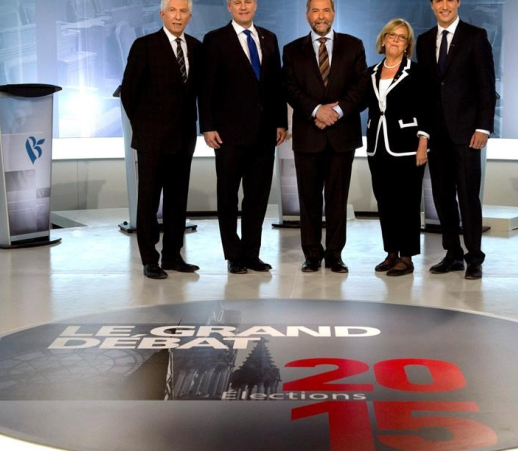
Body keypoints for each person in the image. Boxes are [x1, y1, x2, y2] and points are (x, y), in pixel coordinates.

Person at [200, 0, 288, 274]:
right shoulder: (214, 39)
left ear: (256, 5)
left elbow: (276, 86)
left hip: (264, 134)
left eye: (247, 1)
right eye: (236, 2)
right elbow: (206, 86)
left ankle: (251, 253)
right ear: (228, 7)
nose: (243, 6)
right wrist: (208, 125)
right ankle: (233, 255)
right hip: (227, 134)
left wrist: (281, 122)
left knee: (257, 197)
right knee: (228, 197)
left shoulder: (269, 38)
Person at [283, 0, 368, 273]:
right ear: (307, 14)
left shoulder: (353, 45)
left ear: (333, 13)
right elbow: (291, 89)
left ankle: (334, 254)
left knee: (337, 198)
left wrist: (338, 111)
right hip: (309, 135)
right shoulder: (292, 50)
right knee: (308, 199)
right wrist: (317, 111)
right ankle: (311, 254)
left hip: (342, 136)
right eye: (315, 10)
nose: (321, 16)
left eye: (326, 10)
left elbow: (361, 87)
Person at [121, 0, 202, 279]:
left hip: (184, 137)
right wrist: (144, 127)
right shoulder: (144, 46)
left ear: (189, 16)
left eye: (183, 11)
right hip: (152, 139)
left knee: (177, 200)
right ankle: (149, 258)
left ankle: (172, 255)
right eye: (172, 11)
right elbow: (129, 94)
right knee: (149, 201)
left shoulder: (196, 47)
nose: (177, 16)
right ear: (162, 14)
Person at [416, 0, 496, 280]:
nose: (445, 5)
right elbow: (426, 93)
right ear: (432, 5)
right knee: (442, 197)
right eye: (439, 0)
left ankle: (474, 257)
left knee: (468, 197)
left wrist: (483, 127)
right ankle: (453, 254)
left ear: (458, 2)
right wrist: (424, 135)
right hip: (436, 135)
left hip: (466, 134)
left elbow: (486, 85)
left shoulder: (476, 36)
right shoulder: (424, 41)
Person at [366, 19, 430, 277]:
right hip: (377, 145)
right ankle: (391, 252)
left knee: (407, 202)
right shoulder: (370, 71)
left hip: (406, 146)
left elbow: (427, 107)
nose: (395, 40)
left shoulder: (416, 72)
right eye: (391, 35)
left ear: (407, 45)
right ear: (383, 39)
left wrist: (423, 140)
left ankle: (407, 257)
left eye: (401, 37)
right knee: (385, 201)